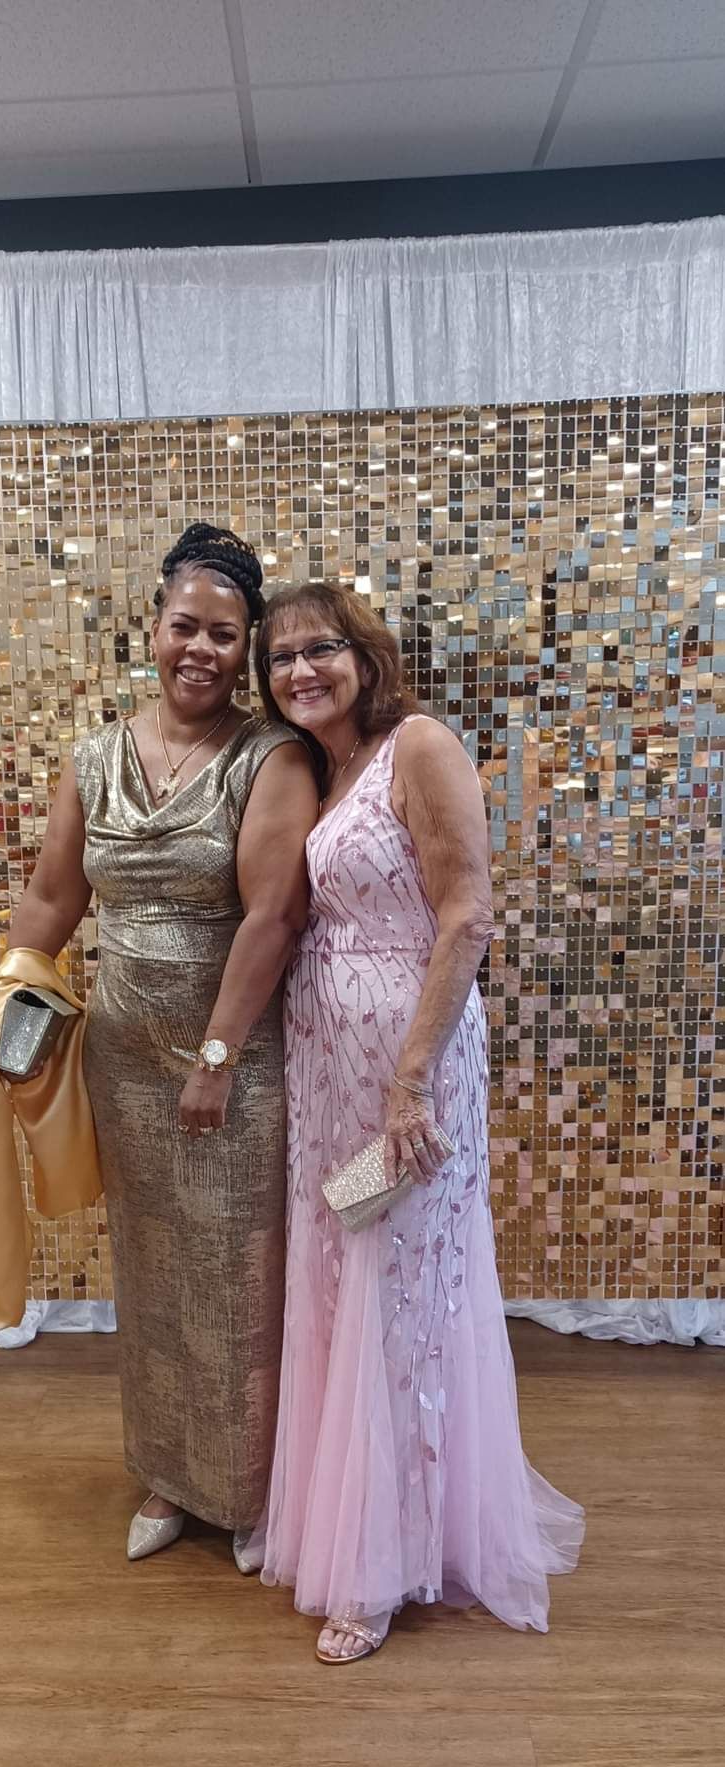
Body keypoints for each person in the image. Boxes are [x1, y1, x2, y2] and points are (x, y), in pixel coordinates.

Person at [254, 582, 584, 1663]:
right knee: (347, 1276)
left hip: (408, 1058)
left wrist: (409, 1078)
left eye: (321, 649)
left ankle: (384, 1562)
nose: (301, 669)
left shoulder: (417, 743)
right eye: (284, 656)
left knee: (402, 1287)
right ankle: (345, 1519)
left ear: (365, 652)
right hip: (327, 1066)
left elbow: (466, 914)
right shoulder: (328, 766)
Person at [3, 524, 317, 1564]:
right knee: (151, 1269)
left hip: (233, 1062)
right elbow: (54, 894)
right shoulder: (93, 757)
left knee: (239, 1270)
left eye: (225, 635)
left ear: (246, 646)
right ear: (154, 625)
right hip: (126, 1065)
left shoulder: (269, 755)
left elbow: (272, 914)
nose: (201, 648)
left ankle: (249, 1490)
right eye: (185, 624)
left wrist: (221, 1056)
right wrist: (9, 999)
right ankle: (167, 1477)